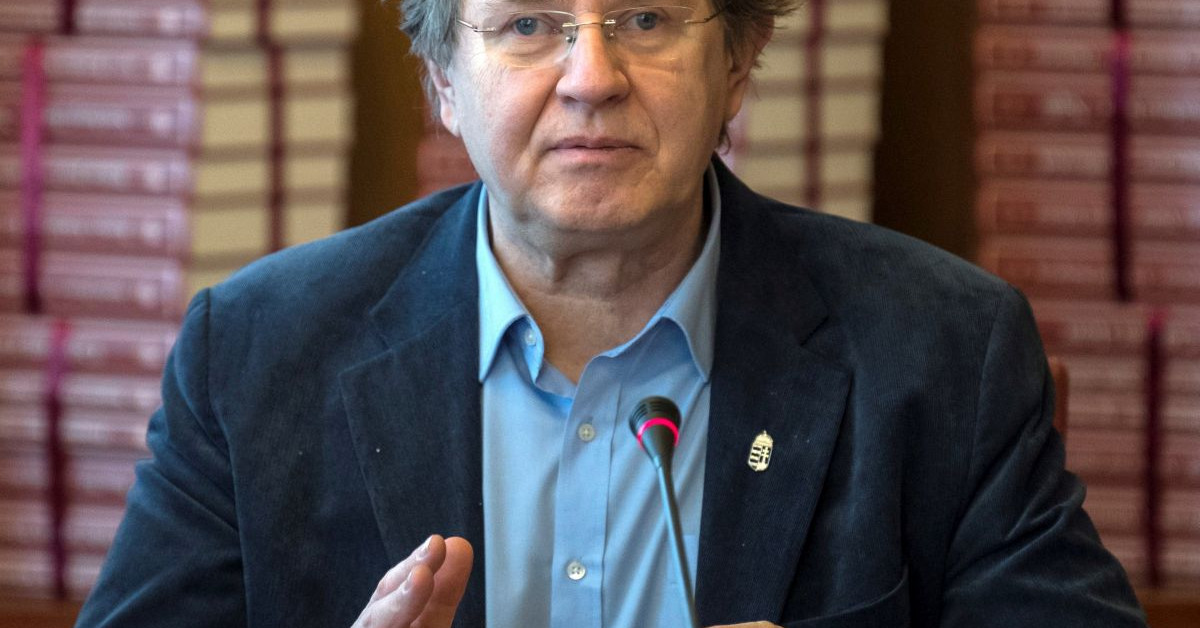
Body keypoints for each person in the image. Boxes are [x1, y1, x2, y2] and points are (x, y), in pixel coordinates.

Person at [75, 0, 1147, 626]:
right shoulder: (255, 353)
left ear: (738, 65)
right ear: (442, 80)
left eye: (645, 18)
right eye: (529, 24)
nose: (592, 76)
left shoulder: (946, 352)